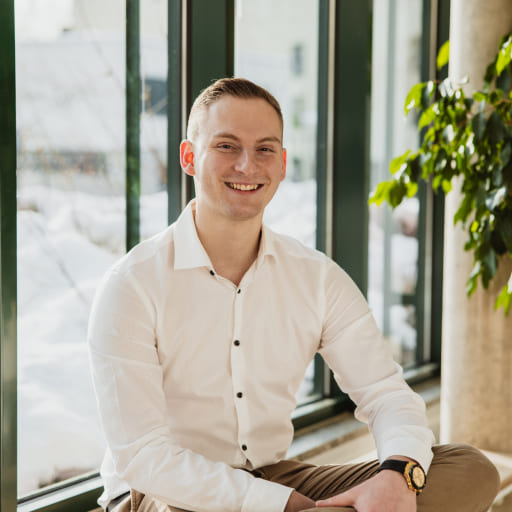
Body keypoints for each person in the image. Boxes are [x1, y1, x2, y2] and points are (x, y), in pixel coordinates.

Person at [88, 77, 500, 512]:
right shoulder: (132, 285)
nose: (248, 165)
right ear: (190, 157)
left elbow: (387, 395)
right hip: (163, 493)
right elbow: (144, 458)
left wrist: (398, 475)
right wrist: (286, 507)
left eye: (265, 149)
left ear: (282, 164)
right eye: (226, 146)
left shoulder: (315, 277)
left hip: (272, 476)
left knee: (469, 468)